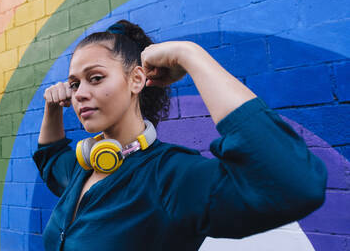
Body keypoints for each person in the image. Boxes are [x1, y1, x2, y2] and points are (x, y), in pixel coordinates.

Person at [33, 20, 327, 250]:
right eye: (74, 84)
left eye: (95, 78)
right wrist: (52, 109)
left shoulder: (169, 178)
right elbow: (50, 158)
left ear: (136, 80)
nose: (80, 94)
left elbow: (293, 185)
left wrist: (189, 55)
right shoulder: (82, 168)